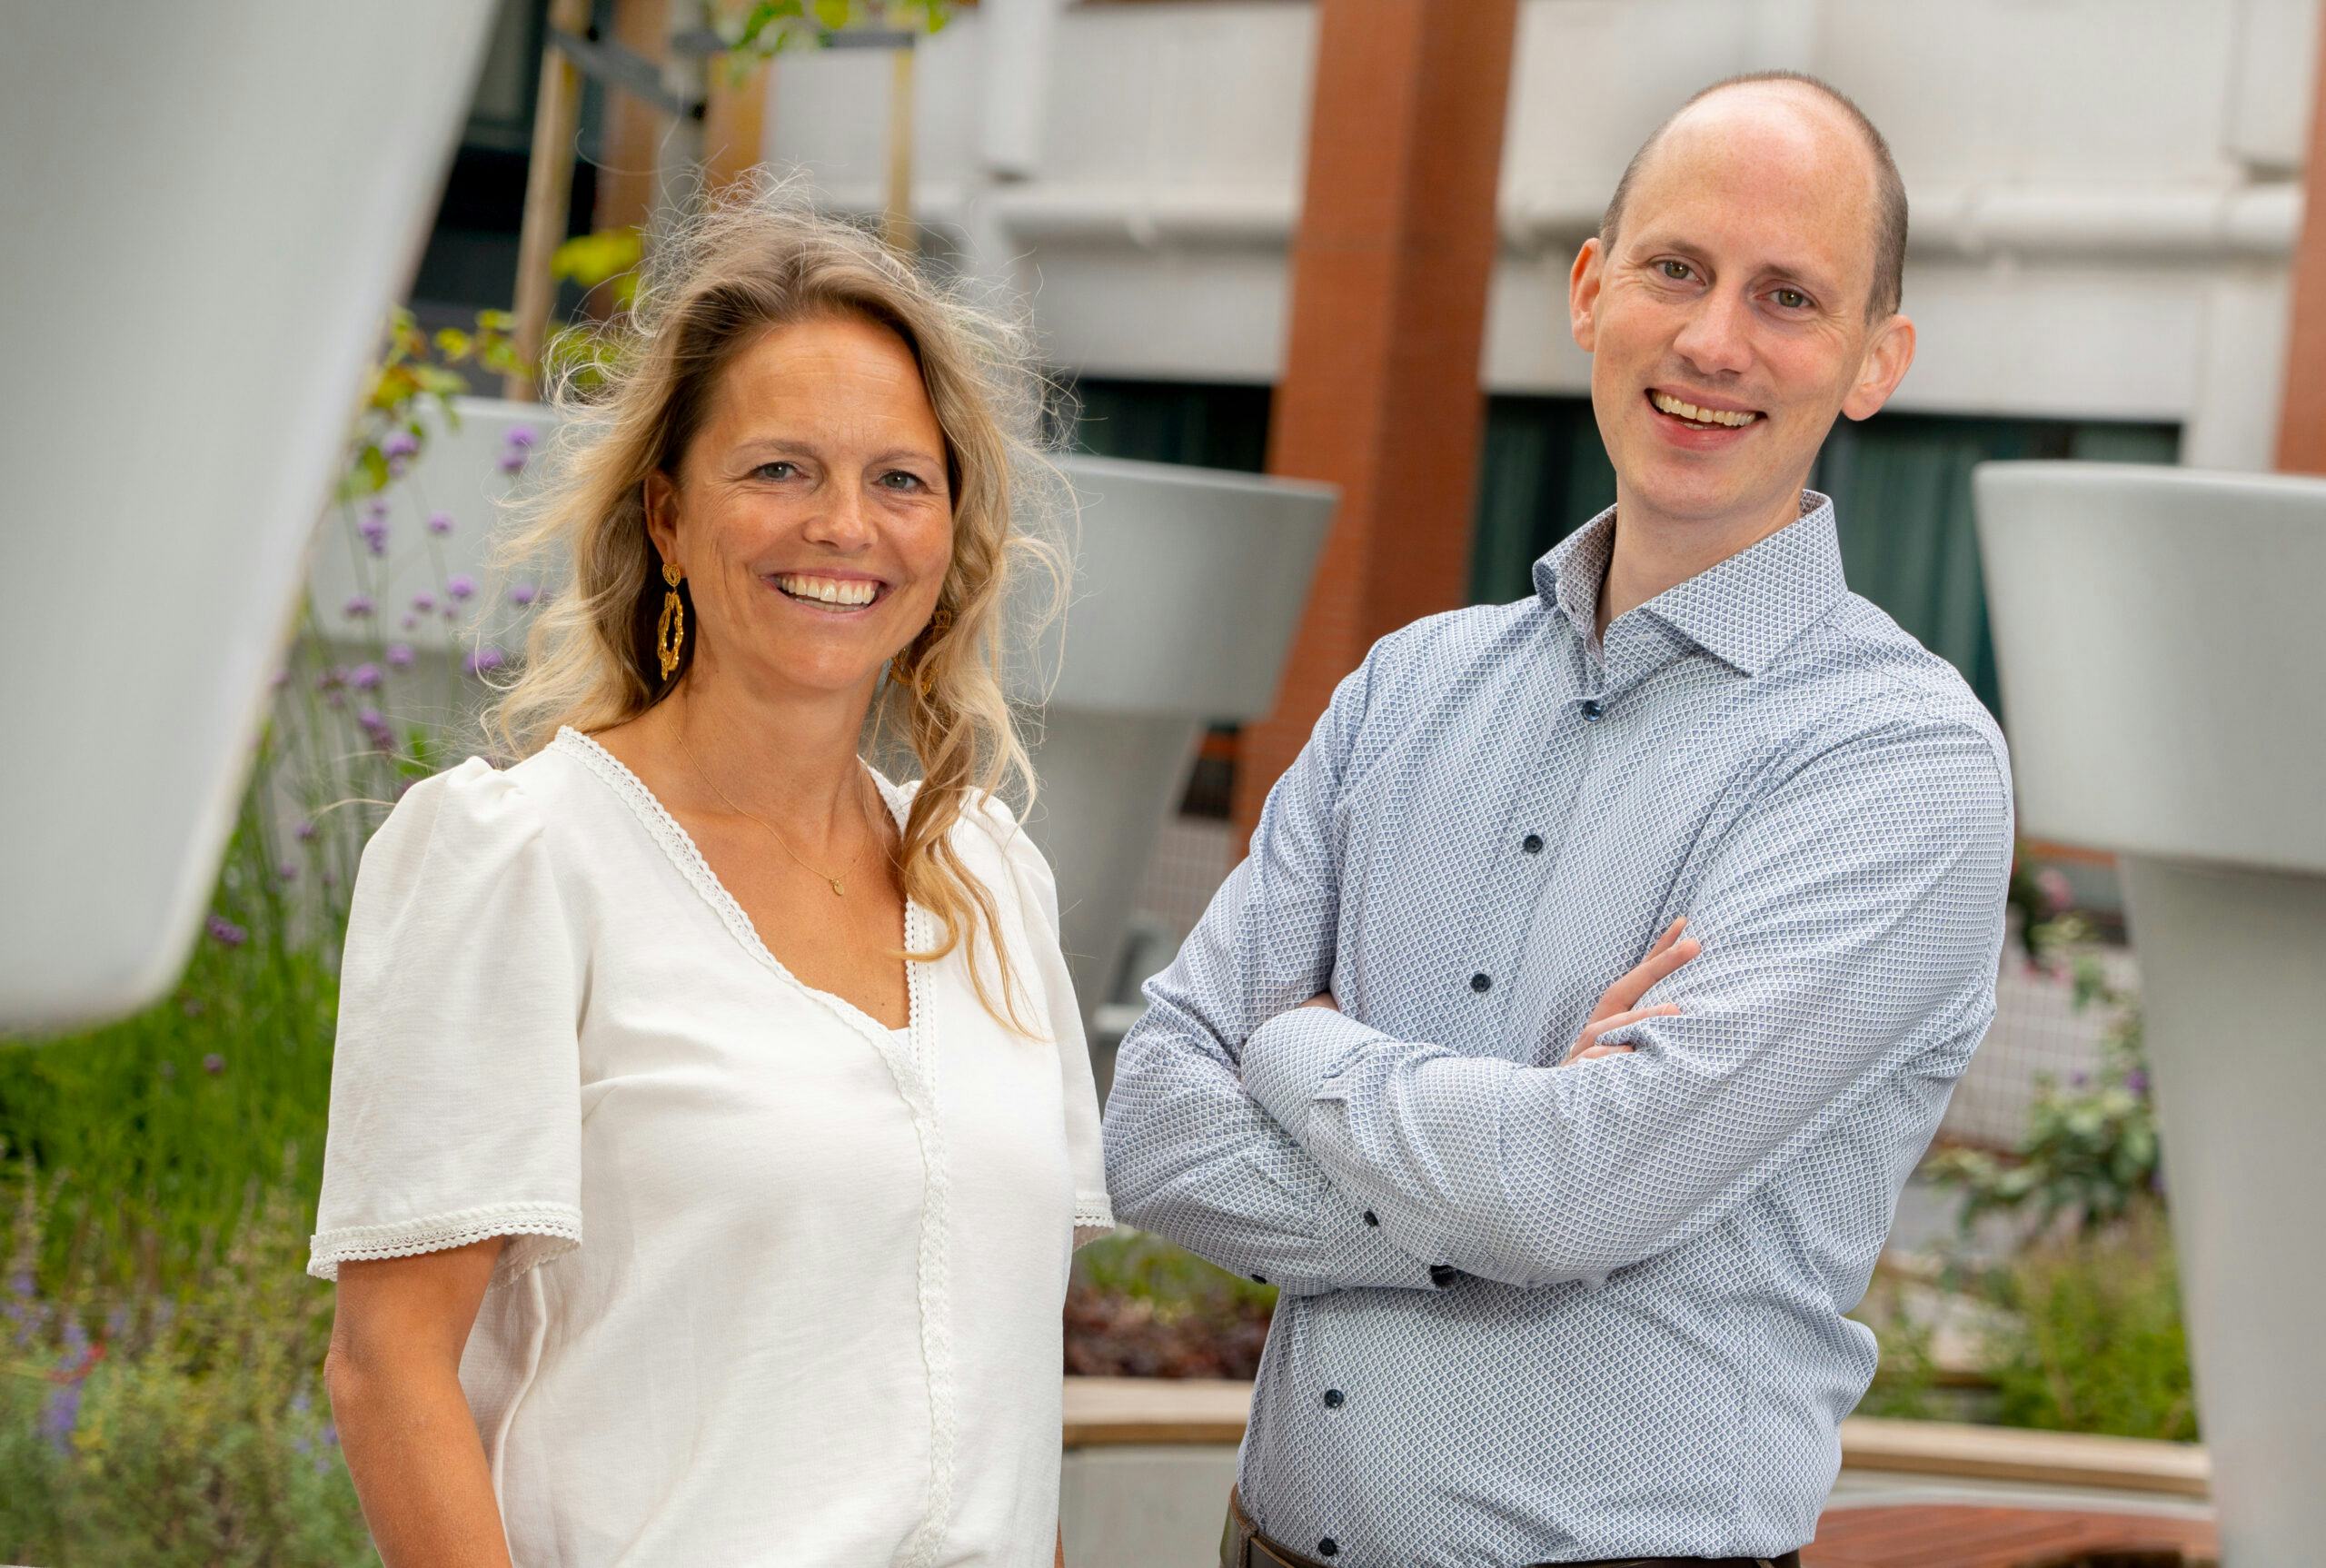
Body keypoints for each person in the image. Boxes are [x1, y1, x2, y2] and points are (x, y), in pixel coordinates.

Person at [1103, 71, 2013, 1568]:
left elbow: (1572, 1193)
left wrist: (1294, 1046)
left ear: (1875, 360)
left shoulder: (1900, 762)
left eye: (1789, 296)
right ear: (1590, 291)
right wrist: (1496, 1197)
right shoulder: (1406, 687)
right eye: (1677, 268)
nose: (1714, 340)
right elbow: (1151, 1123)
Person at [308, 197, 1111, 1568]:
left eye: (900, 479)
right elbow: (388, 1368)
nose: (845, 525)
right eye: (780, 469)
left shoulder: (990, 879)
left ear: (952, 528)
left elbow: (1004, 1392)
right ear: (669, 516)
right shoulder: (525, 859)